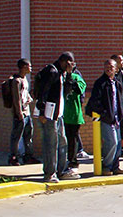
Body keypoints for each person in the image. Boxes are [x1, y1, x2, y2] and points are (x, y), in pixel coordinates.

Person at [35, 52, 80, 183]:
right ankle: (49, 173)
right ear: (66, 62)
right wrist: (42, 111)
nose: (72, 66)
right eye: (71, 63)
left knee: (62, 142)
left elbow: (67, 90)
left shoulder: (62, 74)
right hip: (49, 114)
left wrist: (70, 74)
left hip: (58, 114)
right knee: (51, 144)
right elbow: (43, 92)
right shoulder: (52, 72)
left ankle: (60, 170)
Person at [86, 59, 123, 176]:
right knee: (111, 142)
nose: (108, 69)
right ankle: (106, 166)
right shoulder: (101, 83)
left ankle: (115, 166)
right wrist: (104, 113)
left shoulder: (117, 83)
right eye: (106, 66)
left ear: (116, 69)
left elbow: (122, 98)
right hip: (106, 119)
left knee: (118, 144)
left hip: (117, 118)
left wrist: (121, 113)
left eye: (111, 66)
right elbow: (95, 101)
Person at [8, 58, 40, 166]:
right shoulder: (16, 81)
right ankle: (13, 157)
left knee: (28, 135)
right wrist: (19, 113)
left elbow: (25, 95)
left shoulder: (25, 79)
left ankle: (28, 156)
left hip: (27, 113)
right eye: (29, 66)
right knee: (16, 136)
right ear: (24, 67)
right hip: (20, 114)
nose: (31, 68)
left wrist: (30, 98)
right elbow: (16, 99)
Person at [63, 66, 87, 175]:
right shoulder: (59, 77)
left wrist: (70, 78)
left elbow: (79, 90)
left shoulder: (77, 78)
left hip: (73, 114)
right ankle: (64, 162)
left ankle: (73, 162)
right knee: (64, 140)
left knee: (72, 139)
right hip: (60, 114)